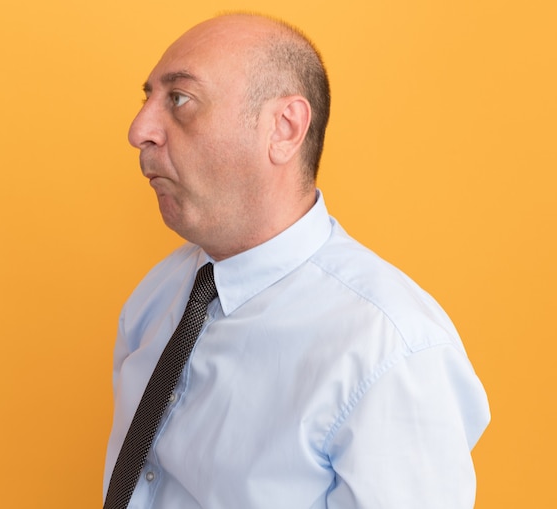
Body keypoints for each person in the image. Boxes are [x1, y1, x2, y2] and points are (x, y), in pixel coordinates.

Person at [104, 13, 490, 508]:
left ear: (284, 128)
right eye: (148, 98)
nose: (140, 129)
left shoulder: (391, 351)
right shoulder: (158, 294)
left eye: (179, 99)